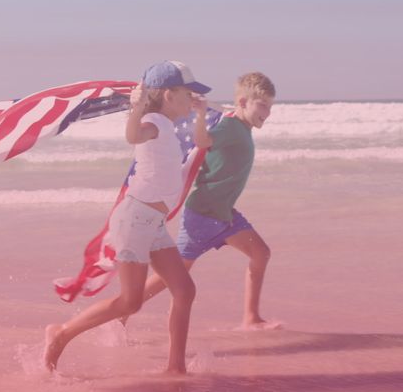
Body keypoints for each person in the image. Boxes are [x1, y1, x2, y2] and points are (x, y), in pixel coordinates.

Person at [44, 61, 212, 374]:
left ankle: (175, 366)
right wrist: (136, 108)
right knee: (130, 302)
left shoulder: (169, 127)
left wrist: (201, 114)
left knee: (185, 290)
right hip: (136, 220)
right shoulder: (154, 121)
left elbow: (204, 143)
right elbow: (133, 135)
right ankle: (61, 334)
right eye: (188, 93)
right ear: (167, 95)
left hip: (152, 223)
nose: (192, 98)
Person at [121, 72, 278, 330]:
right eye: (262, 105)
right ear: (242, 102)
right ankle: (123, 313)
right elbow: (201, 141)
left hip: (224, 215)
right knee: (168, 278)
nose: (267, 112)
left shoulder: (241, 127)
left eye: (270, 106)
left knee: (261, 253)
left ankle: (251, 317)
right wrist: (203, 115)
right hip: (203, 217)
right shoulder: (229, 126)